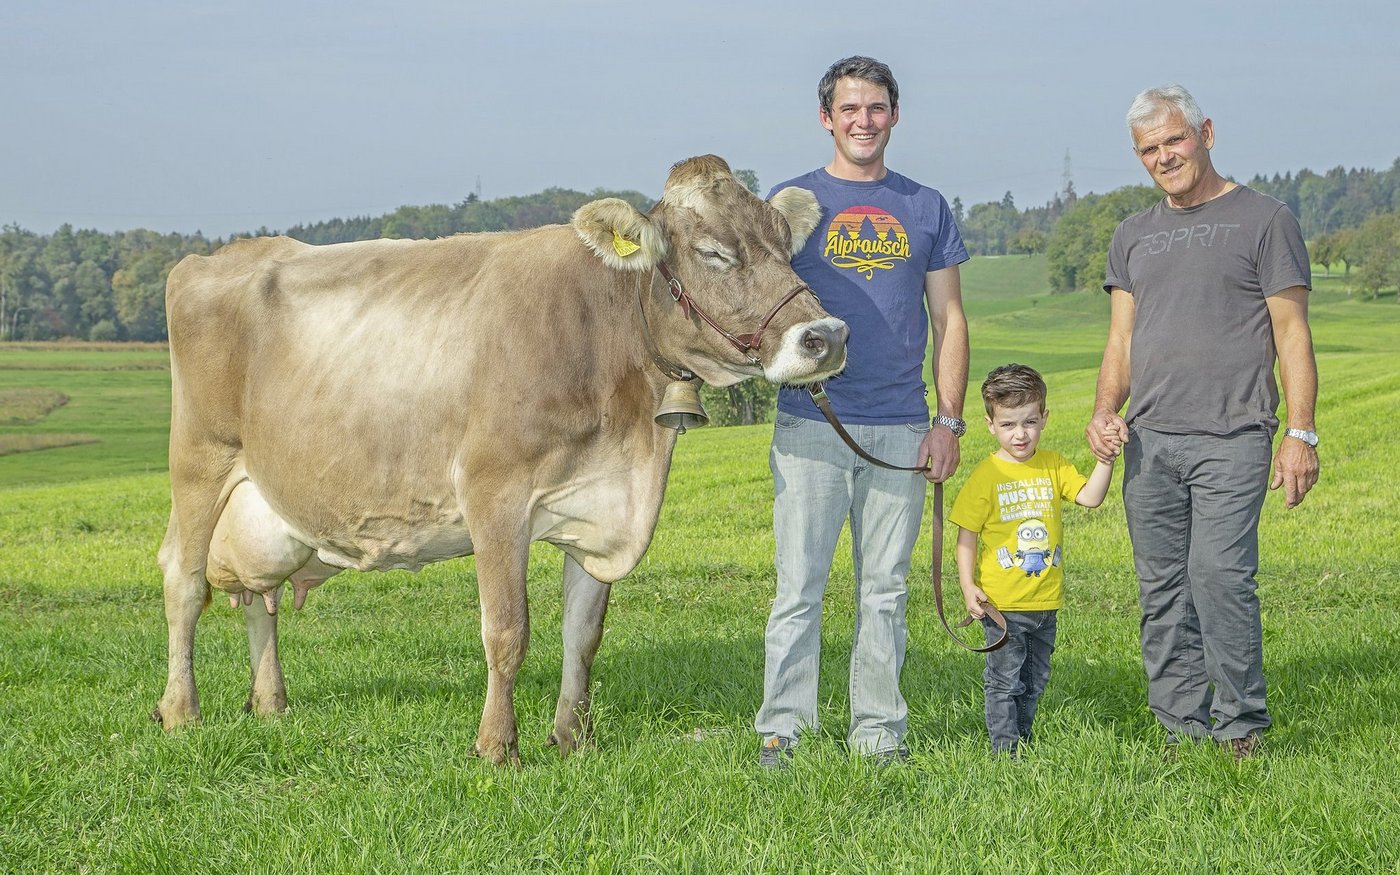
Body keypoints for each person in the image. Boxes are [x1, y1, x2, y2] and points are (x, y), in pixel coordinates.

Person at [1085, 84, 1319, 760]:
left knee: (1219, 577)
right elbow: (1121, 339)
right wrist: (1104, 410)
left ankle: (1240, 724)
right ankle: (1180, 725)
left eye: (1174, 140)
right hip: (1150, 440)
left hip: (1234, 435)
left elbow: (1292, 334)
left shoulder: (1265, 220)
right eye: (1148, 149)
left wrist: (1300, 433)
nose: (1163, 157)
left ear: (1206, 133)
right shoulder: (1133, 235)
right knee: (1162, 587)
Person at [755, 55, 970, 767]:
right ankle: (783, 729)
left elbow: (950, 319)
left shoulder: (925, 206)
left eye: (876, 107)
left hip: (902, 424)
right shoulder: (791, 205)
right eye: (849, 108)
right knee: (798, 589)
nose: (863, 120)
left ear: (895, 115)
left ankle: (878, 733)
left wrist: (948, 421)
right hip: (812, 421)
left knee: (885, 590)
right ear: (826, 118)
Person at [951, 364, 1115, 755]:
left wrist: (1106, 460)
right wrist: (968, 585)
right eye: (1008, 425)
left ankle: (1022, 741)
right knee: (1005, 680)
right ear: (990, 425)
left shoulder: (1054, 465)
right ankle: (1005, 752)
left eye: (1029, 422)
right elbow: (966, 536)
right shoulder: (986, 475)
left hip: (1045, 602)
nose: (1020, 434)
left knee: (1035, 679)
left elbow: (1091, 497)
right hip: (1002, 605)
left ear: (1044, 417)